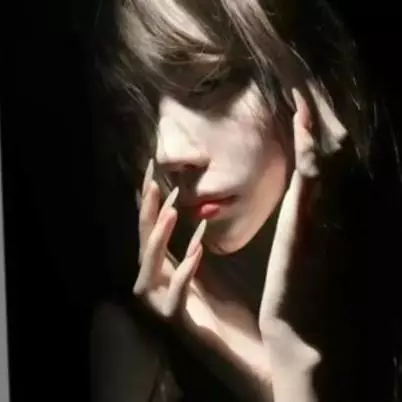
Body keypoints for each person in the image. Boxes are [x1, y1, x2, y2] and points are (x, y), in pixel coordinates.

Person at [90, 0, 398, 401]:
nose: (167, 151)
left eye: (209, 82)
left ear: (310, 81)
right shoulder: (132, 348)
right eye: (138, 110)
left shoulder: (384, 296)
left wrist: (278, 371)